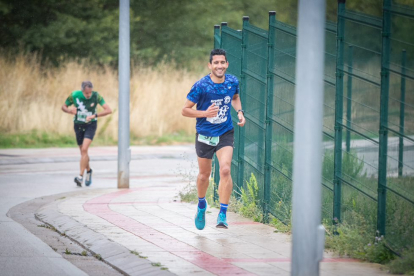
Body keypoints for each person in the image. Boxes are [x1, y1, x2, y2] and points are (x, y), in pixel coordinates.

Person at [182, 49, 246, 229]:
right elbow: (185, 110)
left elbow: (235, 97)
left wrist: (240, 112)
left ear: (227, 64)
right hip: (205, 134)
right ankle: (201, 204)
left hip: (225, 132)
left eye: (222, 62)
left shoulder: (232, 81)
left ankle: (223, 214)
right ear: (210, 65)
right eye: (215, 63)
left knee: (225, 170)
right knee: (204, 175)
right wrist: (204, 113)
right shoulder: (201, 85)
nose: (219, 66)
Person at [61, 81, 112, 187]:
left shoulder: (96, 96)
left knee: (84, 149)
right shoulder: (74, 95)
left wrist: (94, 115)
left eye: (90, 93)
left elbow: (108, 110)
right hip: (78, 125)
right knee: (83, 152)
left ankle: (80, 177)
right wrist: (70, 111)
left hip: (90, 125)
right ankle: (88, 171)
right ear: (82, 91)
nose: (88, 95)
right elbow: (63, 107)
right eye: (86, 93)